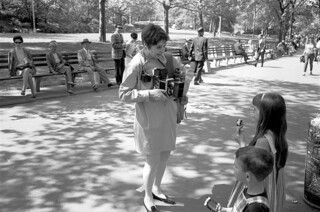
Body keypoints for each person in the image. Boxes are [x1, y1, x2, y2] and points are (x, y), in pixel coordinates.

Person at [119, 23, 187, 212]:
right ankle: (148, 196)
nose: (163, 50)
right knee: (153, 159)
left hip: (168, 115)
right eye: (158, 47)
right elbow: (123, 94)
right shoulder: (136, 64)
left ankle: (156, 189)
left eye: (164, 46)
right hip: (149, 120)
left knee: (165, 155)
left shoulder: (167, 58)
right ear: (146, 45)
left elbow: (181, 76)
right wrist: (149, 94)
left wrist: (181, 77)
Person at [234, 92, 288, 212]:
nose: (251, 111)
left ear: (265, 114)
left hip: (261, 190)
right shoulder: (277, 134)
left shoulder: (263, 141)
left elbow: (253, 168)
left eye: (254, 109)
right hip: (273, 187)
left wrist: (242, 144)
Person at [220, 146, 274, 212]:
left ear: (247, 177)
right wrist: (225, 210)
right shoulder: (248, 188)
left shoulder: (256, 208)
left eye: (236, 166)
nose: (233, 167)